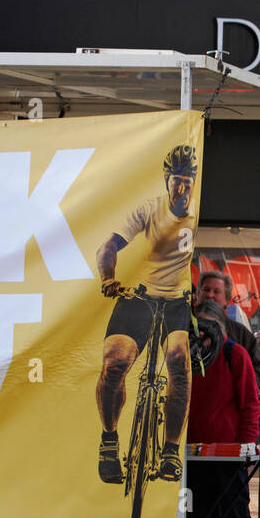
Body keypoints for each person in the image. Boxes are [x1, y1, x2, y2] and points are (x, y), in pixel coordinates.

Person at [96, 144, 198, 485]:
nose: (182, 189)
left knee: (179, 366)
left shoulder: (197, 214)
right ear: (166, 181)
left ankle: (170, 449)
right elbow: (107, 247)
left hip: (176, 303)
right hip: (138, 296)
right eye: (176, 181)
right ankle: (109, 441)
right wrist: (109, 279)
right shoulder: (147, 211)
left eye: (188, 181)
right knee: (115, 364)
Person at [185, 301, 260, 518]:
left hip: (228, 452)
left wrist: (245, 446)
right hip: (196, 451)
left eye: (208, 327)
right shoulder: (190, 356)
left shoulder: (235, 354)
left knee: (236, 514)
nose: (203, 334)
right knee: (203, 513)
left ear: (220, 327)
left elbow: (250, 403)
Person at [195, 269, 260, 385]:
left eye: (216, 292)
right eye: (206, 290)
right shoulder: (182, 328)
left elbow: (259, 372)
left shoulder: (241, 334)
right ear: (197, 295)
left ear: (226, 300)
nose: (210, 295)